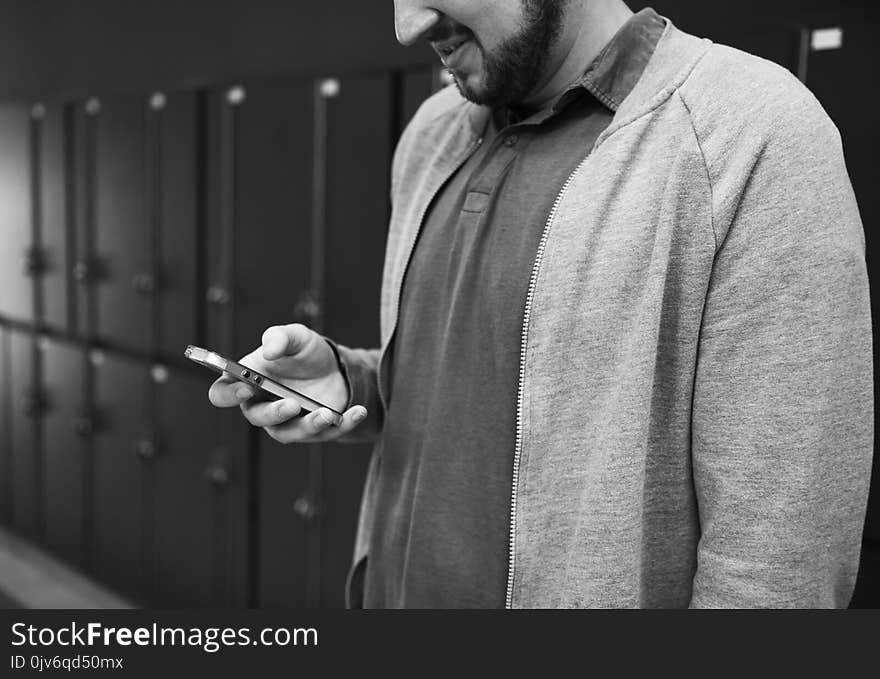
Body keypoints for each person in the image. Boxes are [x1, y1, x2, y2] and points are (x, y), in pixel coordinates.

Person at [209, 0, 874, 608]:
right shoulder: (435, 132)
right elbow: (492, 389)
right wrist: (357, 382)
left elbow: (779, 563)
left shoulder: (752, 129)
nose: (406, 25)